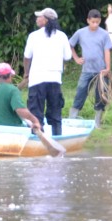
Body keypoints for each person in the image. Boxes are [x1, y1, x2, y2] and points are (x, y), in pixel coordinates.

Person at [21, 7, 72, 135]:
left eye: (39, 17)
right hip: (55, 79)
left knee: (35, 112)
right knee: (55, 112)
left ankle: (37, 139)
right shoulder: (62, 36)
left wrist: (26, 73)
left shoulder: (34, 36)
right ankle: (57, 137)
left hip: (37, 79)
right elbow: (67, 57)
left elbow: (27, 57)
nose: (37, 19)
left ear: (46, 20)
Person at [68, 8, 112, 126]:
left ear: (100, 21)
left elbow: (107, 51)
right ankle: (72, 118)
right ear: (88, 20)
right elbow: (70, 44)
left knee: (101, 94)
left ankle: (97, 121)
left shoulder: (104, 34)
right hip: (87, 70)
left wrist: (108, 68)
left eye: (97, 22)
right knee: (81, 91)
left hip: (101, 70)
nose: (95, 24)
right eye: (93, 22)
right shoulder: (80, 33)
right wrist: (76, 58)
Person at [0, 62, 43, 131]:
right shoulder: (12, 90)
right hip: (12, 129)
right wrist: (35, 121)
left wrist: (24, 82)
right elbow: (20, 110)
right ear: (9, 76)